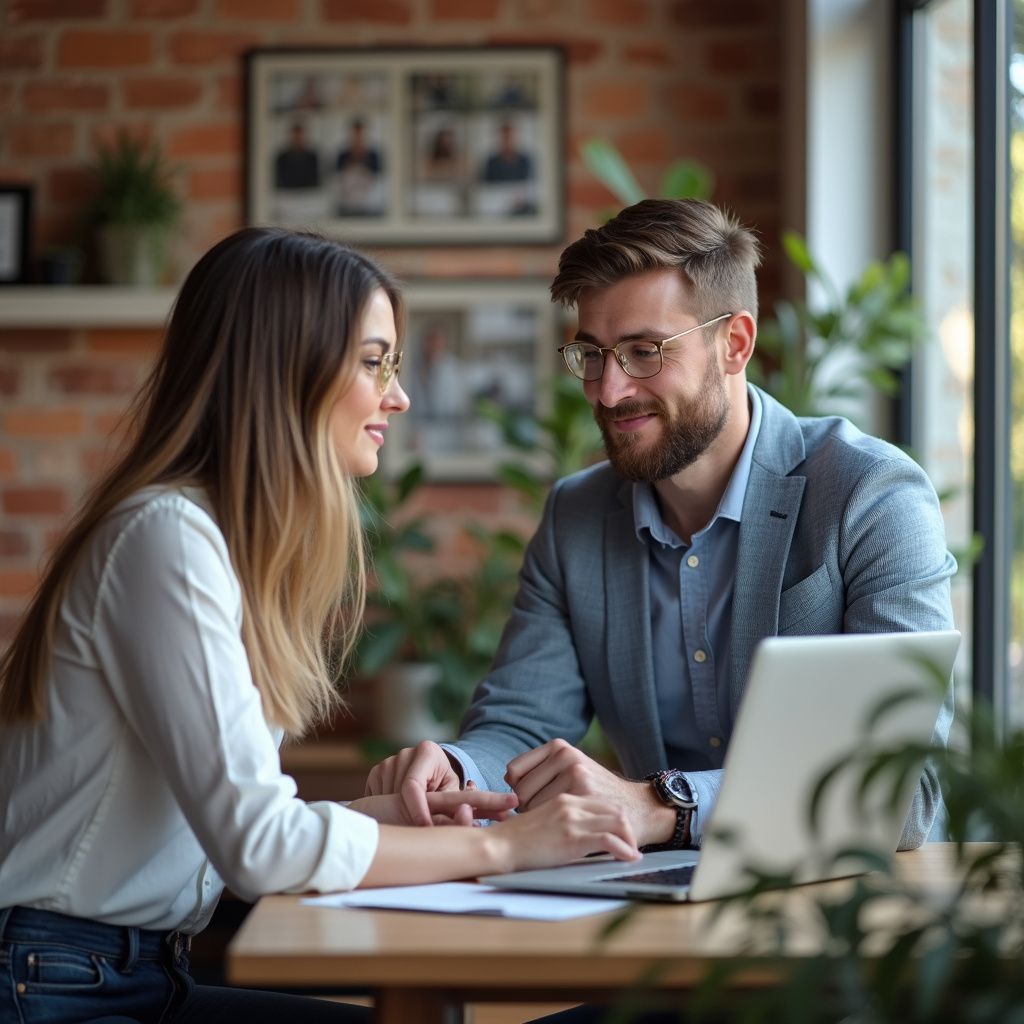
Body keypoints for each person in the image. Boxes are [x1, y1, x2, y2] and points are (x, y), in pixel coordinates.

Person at [0, 228, 640, 1024]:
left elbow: (236, 829)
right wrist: (508, 847)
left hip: (121, 975)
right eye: (375, 363)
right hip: (54, 985)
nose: (397, 398)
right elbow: (258, 848)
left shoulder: (206, 539)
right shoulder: (166, 538)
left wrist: (405, 820)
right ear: (285, 367)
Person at [366, 198, 957, 862]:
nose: (609, 391)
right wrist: (459, 767)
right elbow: (522, 726)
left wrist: (660, 805)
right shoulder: (577, 519)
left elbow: (905, 787)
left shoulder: (871, 495)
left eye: (644, 352)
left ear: (734, 343)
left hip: (845, 913)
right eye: (591, 354)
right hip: (653, 910)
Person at [273, 119, 321, 190]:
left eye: (300, 137)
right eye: (295, 137)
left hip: (309, 196)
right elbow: (280, 182)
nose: (298, 140)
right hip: (287, 196)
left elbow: (315, 181)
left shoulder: (312, 157)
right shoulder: (282, 158)